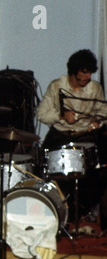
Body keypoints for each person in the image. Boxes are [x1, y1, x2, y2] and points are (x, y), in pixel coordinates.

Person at [37, 49, 107, 234]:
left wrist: (97, 122)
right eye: (83, 72)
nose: (87, 77)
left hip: (84, 135)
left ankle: (85, 213)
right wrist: (61, 116)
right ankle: (53, 214)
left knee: (97, 173)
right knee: (45, 170)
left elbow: (103, 113)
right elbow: (41, 114)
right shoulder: (56, 86)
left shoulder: (95, 88)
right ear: (73, 72)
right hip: (60, 135)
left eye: (90, 72)